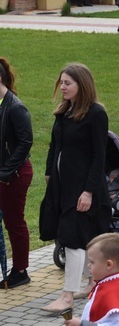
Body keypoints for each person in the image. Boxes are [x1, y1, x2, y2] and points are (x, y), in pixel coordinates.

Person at [39, 63, 111, 313]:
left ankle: (67, 296)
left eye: (68, 83)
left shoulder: (95, 114)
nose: (63, 87)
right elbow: (53, 146)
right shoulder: (64, 111)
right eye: (61, 83)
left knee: (72, 239)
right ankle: (92, 282)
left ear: (83, 85)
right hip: (63, 186)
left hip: (83, 188)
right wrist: (50, 173)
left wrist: (88, 191)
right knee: (82, 237)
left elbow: (98, 156)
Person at [64, 233, 119, 326]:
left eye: (92, 262)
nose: (88, 265)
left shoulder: (113, 292)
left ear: (109, 264)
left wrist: (82, 324)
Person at [0, 58, 33, 289]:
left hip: (14, 175)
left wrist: (5, 172)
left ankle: (20, 271)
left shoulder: (15, 107)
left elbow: (25, 142)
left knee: (14, 222)